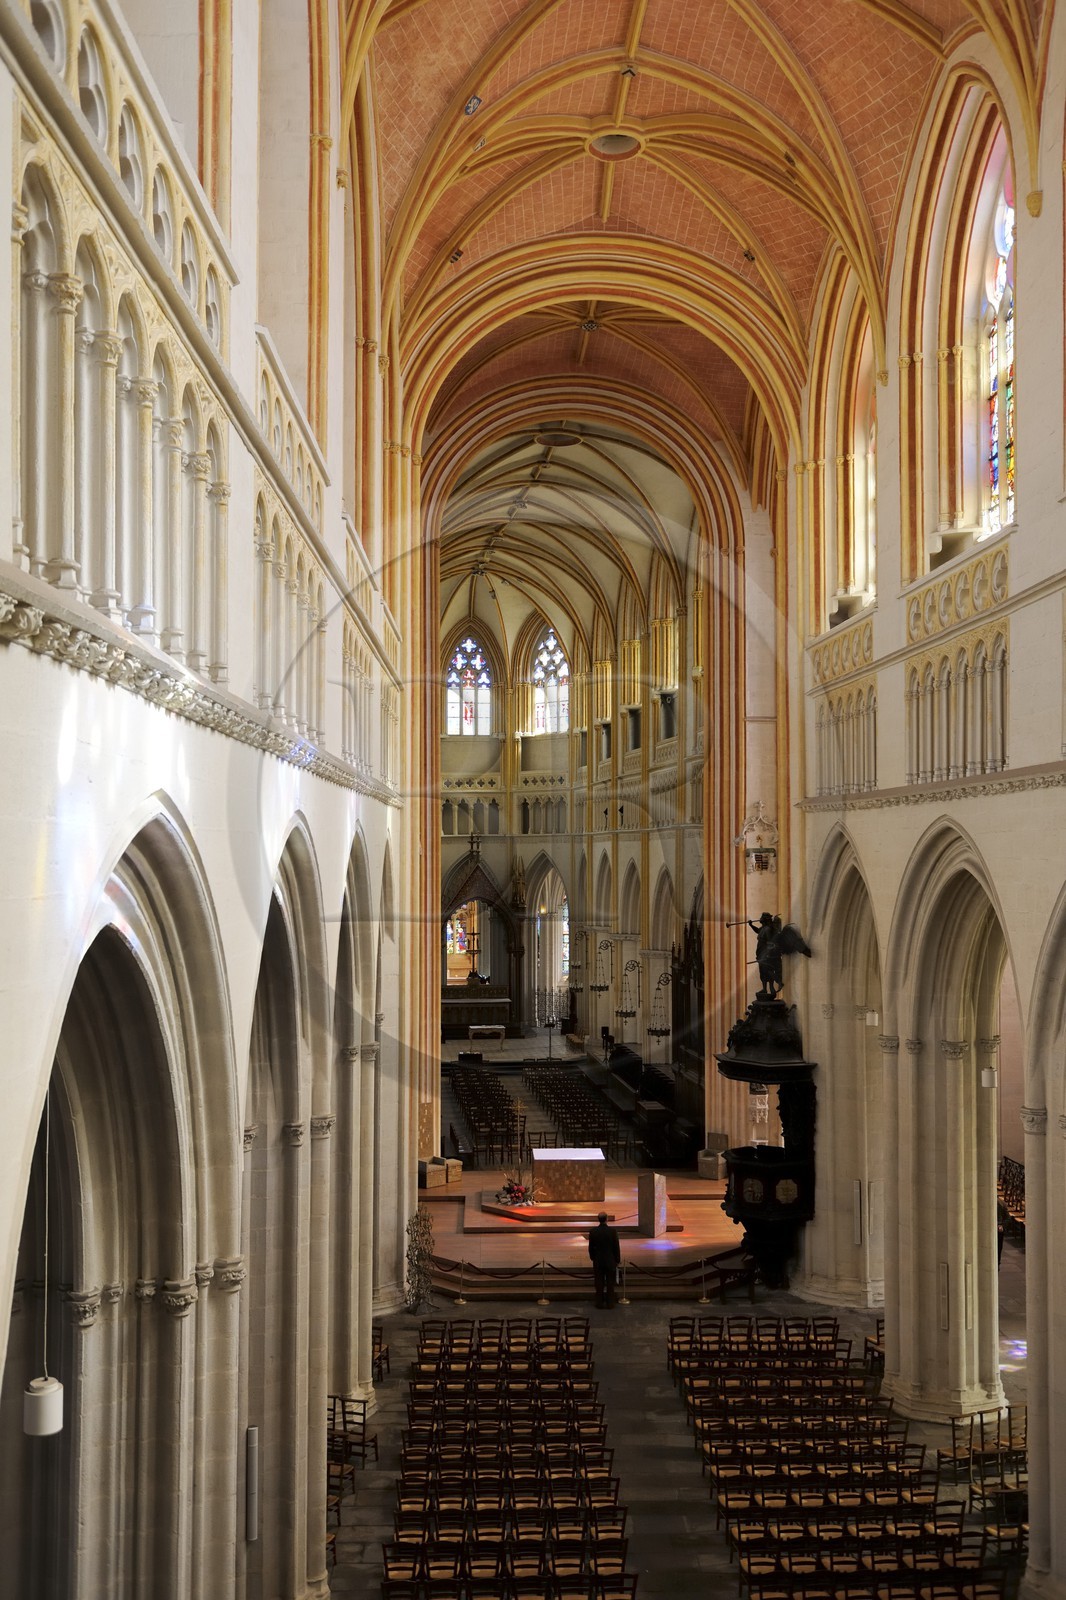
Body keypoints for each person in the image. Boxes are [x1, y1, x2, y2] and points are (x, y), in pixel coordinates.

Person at [587, 1212, 621, 1308]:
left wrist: (593, 1258)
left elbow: (590, 1248)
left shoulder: (593, 1231)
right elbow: (616, 1247)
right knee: (610, 1283)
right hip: (610, 1261)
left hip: (598, 1261)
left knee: (599, 1283)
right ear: (607, 1219)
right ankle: (610, 1303)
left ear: (598, 1219)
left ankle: (599, 1303)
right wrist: (617, 1259)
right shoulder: (613, 1231)